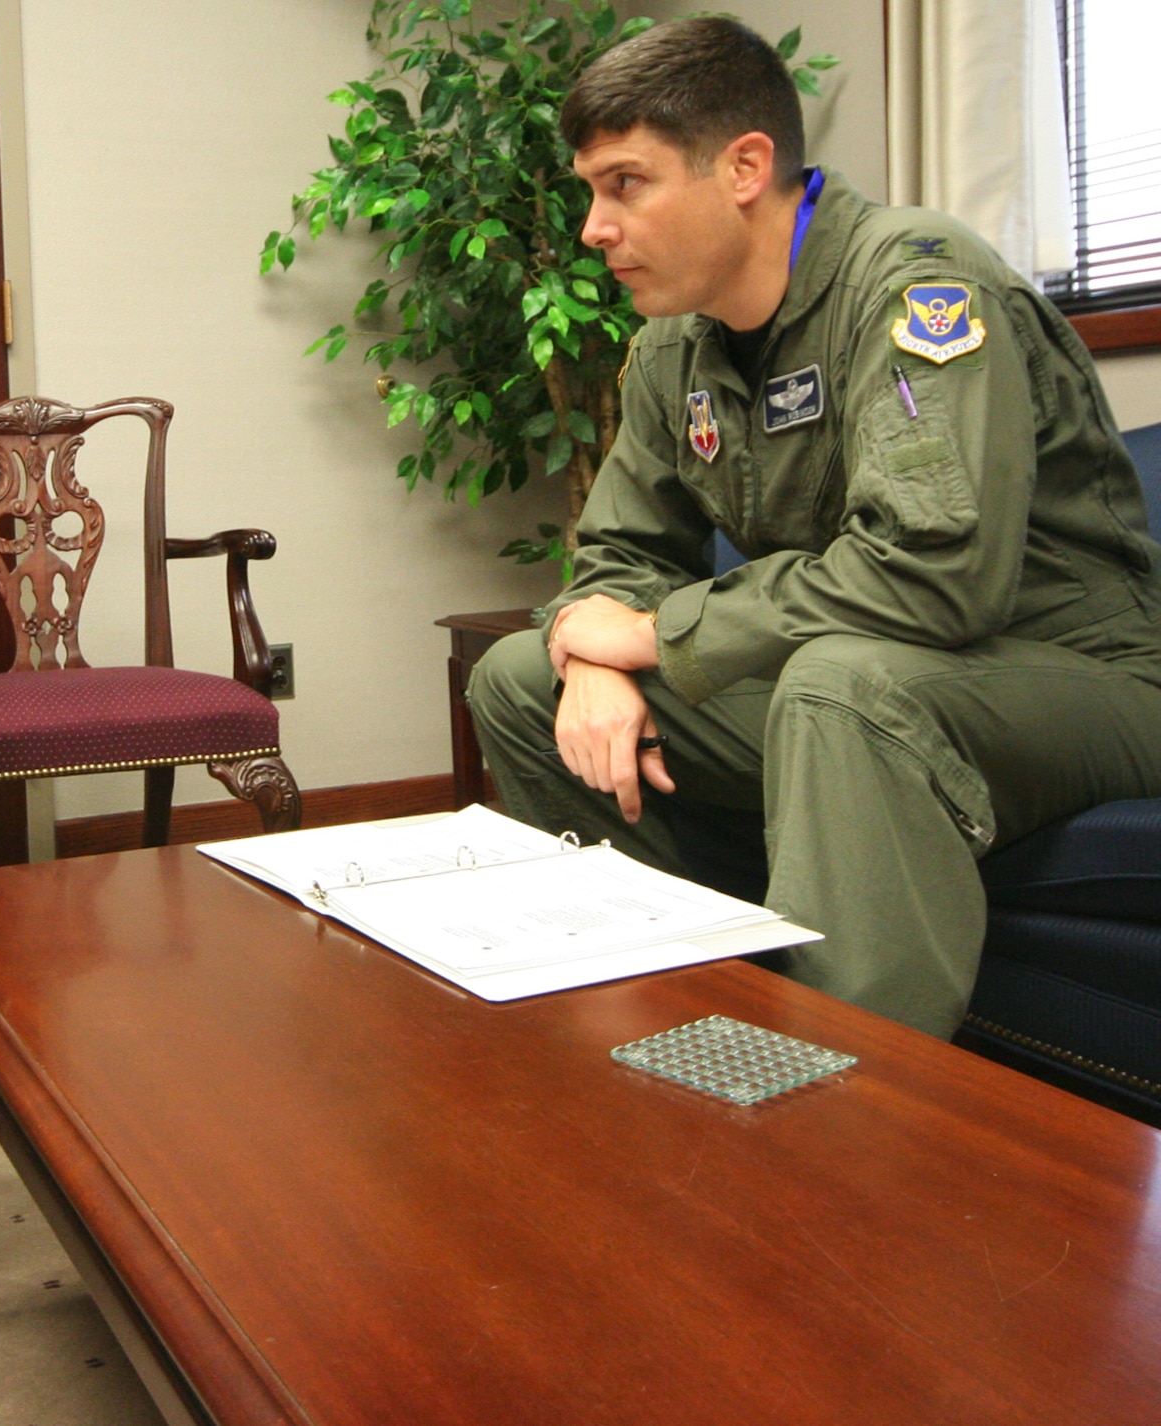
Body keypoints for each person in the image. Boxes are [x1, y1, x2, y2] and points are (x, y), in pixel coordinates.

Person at [467, 17, 1161, 1041]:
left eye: (623, 184)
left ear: (744, 166)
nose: (591, 229)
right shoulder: (675, 346)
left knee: (844, 688)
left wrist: (658, 636)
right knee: (521, 680)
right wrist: (591, 659)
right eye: (587, 192)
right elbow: (617, 554)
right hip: (879, 672)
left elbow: (937, 574)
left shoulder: (917, 287)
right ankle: (677, 1018)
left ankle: (842, 1122)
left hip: (1076, 676)